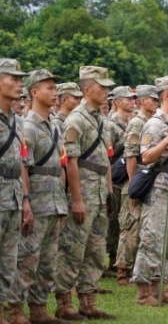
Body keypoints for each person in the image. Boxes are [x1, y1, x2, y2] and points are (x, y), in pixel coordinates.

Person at [7, 69, 68, 324]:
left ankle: (39, 308)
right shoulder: (28, 126)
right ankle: (15, 310)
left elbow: (61, 165)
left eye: (55, 88)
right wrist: (26, 200)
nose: (55, 93)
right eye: (49, 88)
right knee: (27, 259)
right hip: (37, 202)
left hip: (54, 202)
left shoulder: (54, 126)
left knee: (48, 260)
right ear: (34, 92)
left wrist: (64, 201)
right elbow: (23, 167)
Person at [55, 66, 116, 320]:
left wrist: (110, 192)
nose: (106, 91)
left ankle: (88, 300)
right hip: (84, 194)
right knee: (73, 248)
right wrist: (77, 199)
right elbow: (71, 162)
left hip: (100, 193)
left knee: (95, 248)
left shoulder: (101, 120)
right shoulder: (76, 119)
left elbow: (105, 161)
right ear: (87, 89)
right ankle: (64, 303)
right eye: (101, 87)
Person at [131, 75, 168, 307]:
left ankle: (158, 287)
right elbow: (145, 157)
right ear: (167, 95)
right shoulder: (155, 124)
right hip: (159, 187)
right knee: (152, 239)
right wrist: (166, 140)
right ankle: (143, 292)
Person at [115, 85, 159, 286]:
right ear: (143, 101)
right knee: (131, 227)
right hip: (137, 179)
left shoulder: (152, 122)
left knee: (144, 227)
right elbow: (131, 157)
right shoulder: (137, 123)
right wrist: (134, 188)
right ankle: (123, 272)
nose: (156, 102)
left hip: (148, 178)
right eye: (153, 99)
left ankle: (136, 269)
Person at [0, 59, 29, 324]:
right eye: (14, 79)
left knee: (9, 259)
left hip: (13, 196)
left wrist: (25, 200)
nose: (20, 84)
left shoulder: (18, 122)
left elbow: (20, 162)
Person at [105, 86, 137, 278]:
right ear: (117, 102)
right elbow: (108, 153)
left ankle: (116, 260)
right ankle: (111, 261)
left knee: (122, 220)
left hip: (125, 175)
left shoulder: (128, 122)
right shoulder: (111, 124)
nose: (132, 101)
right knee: (114, 221)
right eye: (127, 98)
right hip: (115, 176)